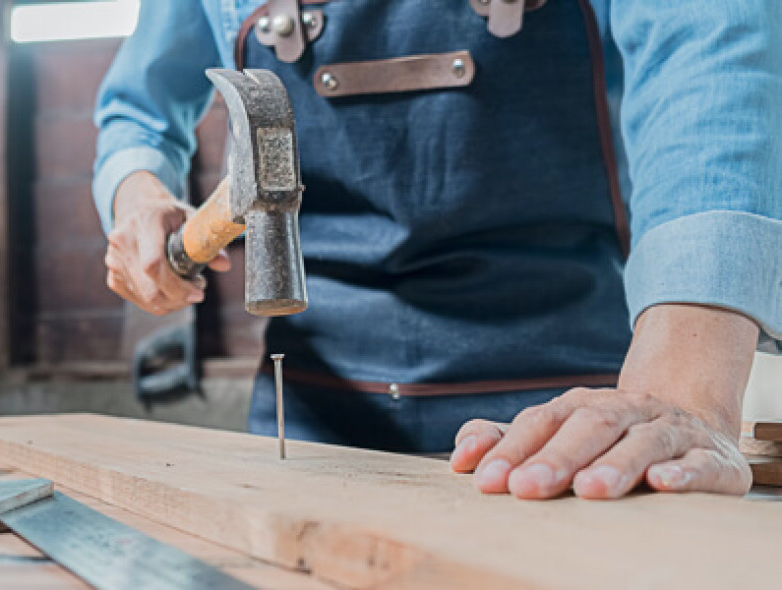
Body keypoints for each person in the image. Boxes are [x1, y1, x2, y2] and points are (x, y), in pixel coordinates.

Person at [93, 0, 782, 500]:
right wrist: (134, 194)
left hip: (576, 423)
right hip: (306, 419)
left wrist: (682, 390)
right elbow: (138, 108)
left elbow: (711, 42)